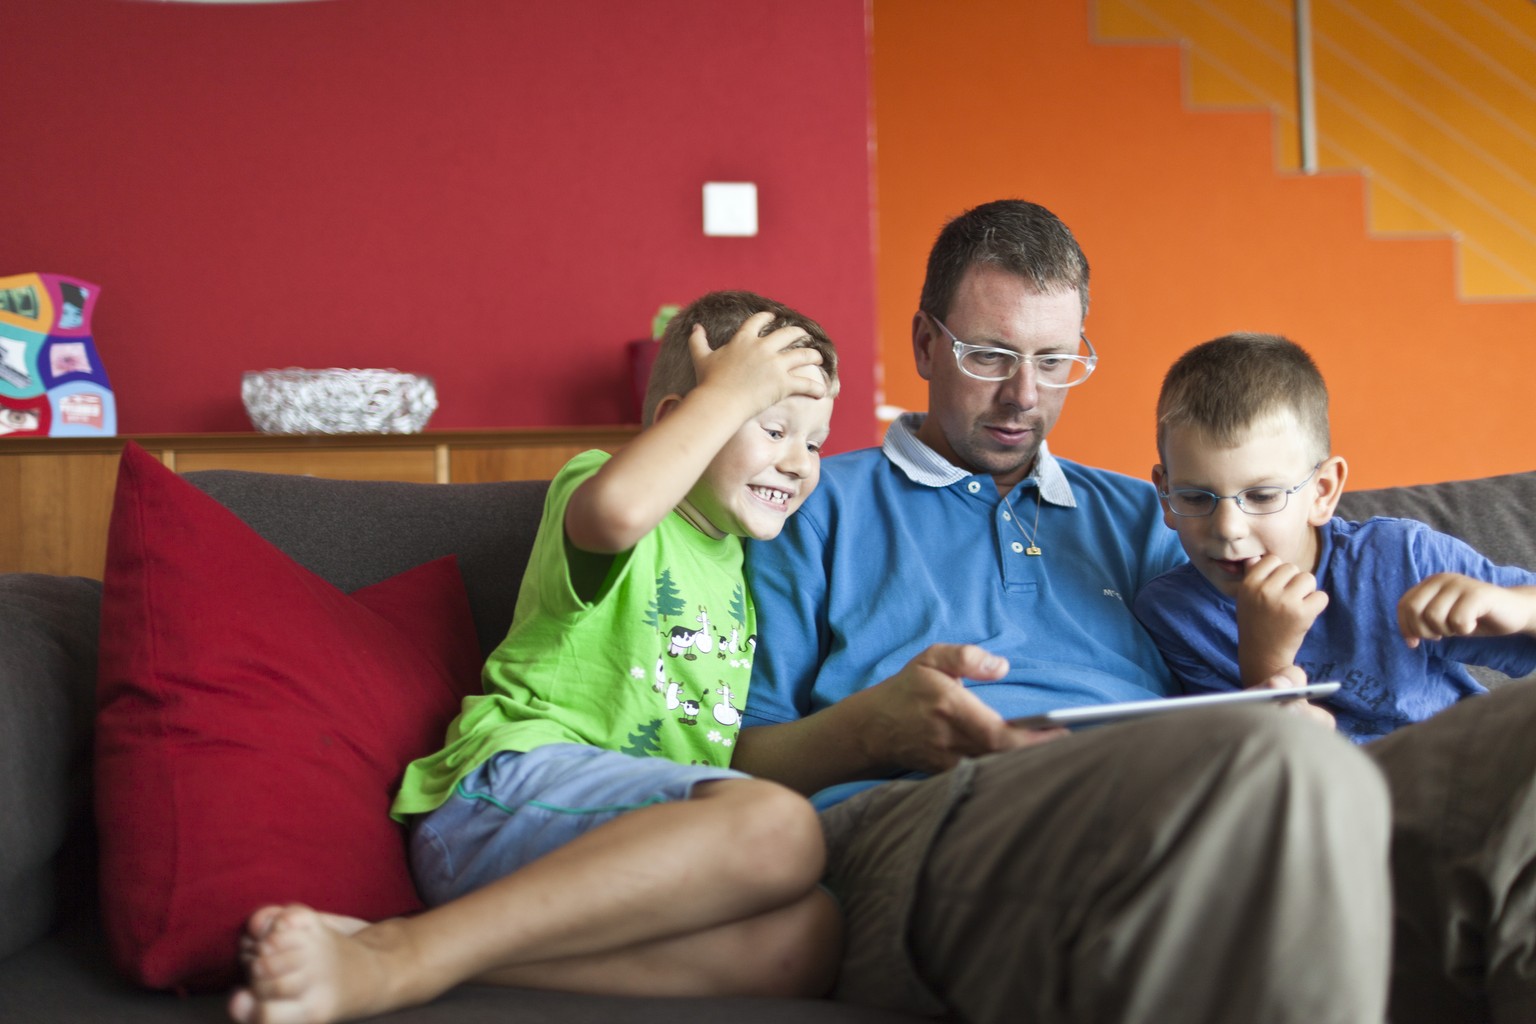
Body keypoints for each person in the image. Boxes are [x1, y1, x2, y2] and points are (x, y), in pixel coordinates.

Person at [741, 198, 1536, 1024]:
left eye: (1054, 362)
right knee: (1283, 770)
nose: (1023, 395)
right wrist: (873, 728)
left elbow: (1290, 613)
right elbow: (736, 757)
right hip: (935, 812)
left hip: (1198, 795)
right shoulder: (808, 504)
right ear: (923, 344)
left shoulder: (1157, 516)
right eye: (989, 356)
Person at [230, 290, 843, 1024]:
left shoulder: (738, 569)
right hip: (504, 796)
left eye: (814, 442)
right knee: (779, 827)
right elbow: (616, 512)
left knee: (805, 941)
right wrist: (729, 393)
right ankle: (403, 964)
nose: (797, 463)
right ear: (680, 421)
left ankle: (401, 950)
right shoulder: (609, 491)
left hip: (615, 858)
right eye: (772, 426)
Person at [1134, 332, 1536, 742]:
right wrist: (1266, 659)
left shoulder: (1402, 558)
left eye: (1262, 495)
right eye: (1197, 497)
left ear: (1323, 491)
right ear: (1165, 496)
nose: (1228, 528)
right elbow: (1269, 757)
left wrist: (1516, 607)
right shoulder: (1174, 614)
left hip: (1461, 770)